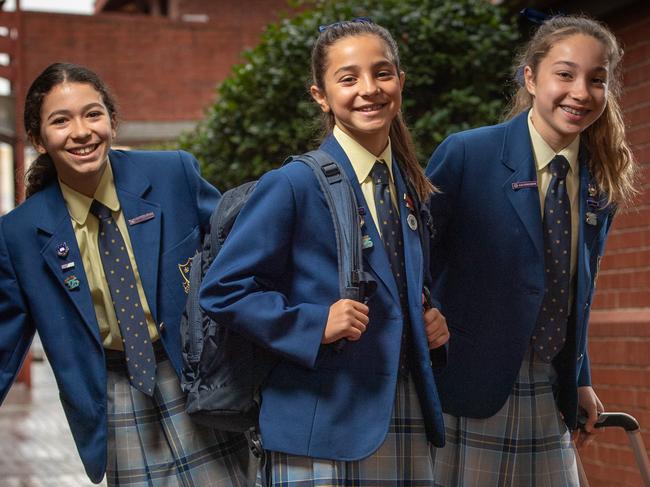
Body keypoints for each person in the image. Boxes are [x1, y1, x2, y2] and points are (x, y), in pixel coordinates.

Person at [199, 18, 449, 485]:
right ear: (321, 95)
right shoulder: (293, 184)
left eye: (383, 73)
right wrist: (314, 324)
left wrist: (430, 316)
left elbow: (400, 284)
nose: (369, 89)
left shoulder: (408, 187)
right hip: (321, 427)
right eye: (349, 78)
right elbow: (223, 290)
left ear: (401, 81)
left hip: (403, 415)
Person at [0, 62, 251, 486]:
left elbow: (243, 248)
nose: (81, 132)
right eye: (60, 121)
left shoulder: (172, 174)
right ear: (39, 140)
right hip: (115, 395)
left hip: (197, 379)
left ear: (112, 122)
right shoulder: (20, 233)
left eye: (92, 114)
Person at [425, 15, 638, 486]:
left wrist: (579, 375)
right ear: (530, 76)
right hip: (469, 387)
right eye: (565, 74)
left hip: (549, 388)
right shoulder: (466, 155)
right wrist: (426, 314)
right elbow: (412, 256)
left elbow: (575, 290)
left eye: (596, 80)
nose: (580, 92)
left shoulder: (600, 181)